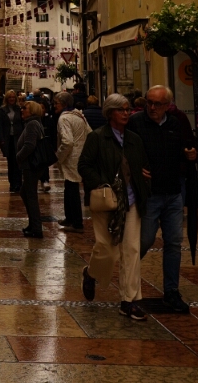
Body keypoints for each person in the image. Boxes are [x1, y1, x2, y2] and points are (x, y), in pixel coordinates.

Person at [78, 93, 151, 321]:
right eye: (121, 110)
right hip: (106, 202)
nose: (126, 113)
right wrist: (102, 184)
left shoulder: (134, 139)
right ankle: (91, 273)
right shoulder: (97, 137)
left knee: (131, 251)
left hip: (131, 201)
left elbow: (142, 164)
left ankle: (130, 301)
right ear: (110, 113)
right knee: (107, 250)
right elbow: (84, 166)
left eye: (128, 109)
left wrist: (144, 176)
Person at [130, 85, 198, 315]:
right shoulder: (136, 123)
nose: (152, 107)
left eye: (157, 104)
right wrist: (134, 168)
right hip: (150, 195)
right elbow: (123, 151)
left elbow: (184, 149)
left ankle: (171, 291)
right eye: (149, 102)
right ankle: (127, 283)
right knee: (145, 240)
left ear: (167, 105)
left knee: (174, 243)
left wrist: (189, 155)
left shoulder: (175, 123)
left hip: (173, 193)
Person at [54, 91, 90, 230]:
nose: (54, 106)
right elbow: (90, 133)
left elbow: (67, 141)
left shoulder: (64, 118)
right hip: (81, 155)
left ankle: (76, 223)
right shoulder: (79, 115)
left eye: (56, 103)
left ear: (64, 104)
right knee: (69, 188)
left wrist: (59, 156)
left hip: (71, 157)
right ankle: (69, 218)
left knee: (72, 189)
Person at [16, 100, 47, 238]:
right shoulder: (34, 122)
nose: (22, 110)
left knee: (31, 196)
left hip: (31, 165)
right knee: (25, 193)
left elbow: (29, 145)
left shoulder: (32, 124)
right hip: (32, 165)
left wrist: (18, 157)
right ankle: (33, 224)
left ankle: (37, 228)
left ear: (32, 111)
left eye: (25, 108)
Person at [0, 89, 22, 192]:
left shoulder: (19, 109)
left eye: (13, 97)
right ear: (7, 98)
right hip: (8, 139)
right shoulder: (2, 110)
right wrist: (0, 139)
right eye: (10, 97)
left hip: (18, 138)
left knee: (18, 161)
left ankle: (19, 183)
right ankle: (12, 183)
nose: (12, 99)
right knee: (11, 162)